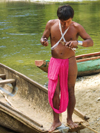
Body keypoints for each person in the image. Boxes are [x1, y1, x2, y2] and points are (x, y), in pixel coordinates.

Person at [40, 4, 93, 132]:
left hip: (70, 62)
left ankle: (69, 119)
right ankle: (56, 121)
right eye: (62, 22)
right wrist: (43, 40)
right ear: (58, 19)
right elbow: (44, 37)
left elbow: (90, 42)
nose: (64, 25)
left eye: (67, 22)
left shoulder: (76, 27)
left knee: (70, 90)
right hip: (55, 62)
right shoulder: (51, 24)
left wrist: (78, 42)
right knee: (55, 92)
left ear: (72, 18)